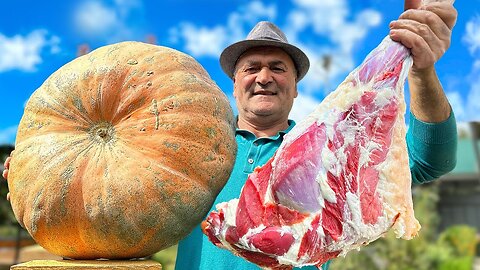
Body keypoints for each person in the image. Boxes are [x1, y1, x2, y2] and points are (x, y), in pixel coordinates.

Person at [3, 0, 457, 269]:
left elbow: (427, 159)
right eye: (251, 68)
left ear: (295, 87)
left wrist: (422, 73)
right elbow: (103, 200)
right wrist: (41, 170)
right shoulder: (183, 152)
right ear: (235, 84)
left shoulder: (324, 154)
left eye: (277, 68)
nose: (264, 76)